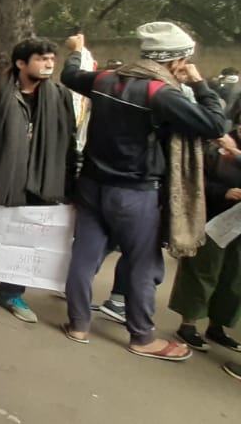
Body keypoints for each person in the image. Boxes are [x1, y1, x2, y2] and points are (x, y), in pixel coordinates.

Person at [61, 25, 229, 361]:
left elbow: (70, 74)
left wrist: (79, 49)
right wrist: (199, 82)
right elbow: (214, 124)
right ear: (177, 61)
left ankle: (78, 324)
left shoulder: (105, 80)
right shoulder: (161, 94)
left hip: (93, 185)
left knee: (85, 255)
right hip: (135, 193)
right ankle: (142, 337)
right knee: (143, 263)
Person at [0, 38, 76, 323]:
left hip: (41, 182)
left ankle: (12, 293)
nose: (48, 64)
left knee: (26, 240)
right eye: (41, 59)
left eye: (51, 59)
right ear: (21, 63)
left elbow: (69, 141)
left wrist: (71, 185)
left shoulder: (60, 96)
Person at [168, 129, 241, 353]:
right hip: (212, 220)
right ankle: (188, 324)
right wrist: (224, 192)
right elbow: (192, 180)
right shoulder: (216, 143)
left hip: (238, 227)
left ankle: (217, 325)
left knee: (233, 278)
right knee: (203, 272)